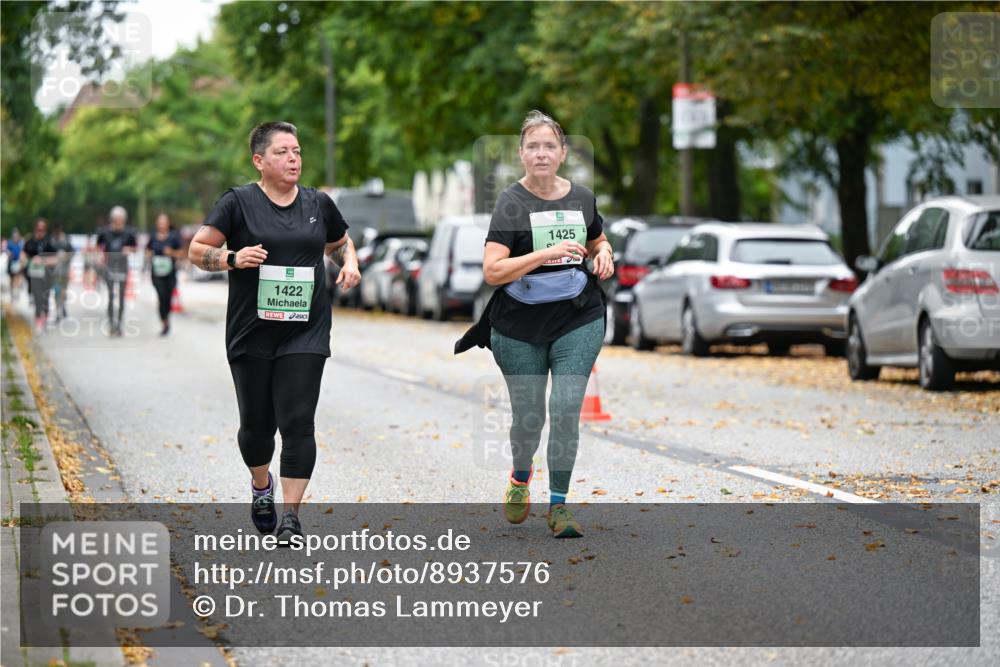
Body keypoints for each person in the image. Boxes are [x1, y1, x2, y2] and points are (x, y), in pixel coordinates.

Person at [188, 121, 360, 543]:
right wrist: (232, 257)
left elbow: (339, 243)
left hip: (306, 330)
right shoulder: (238, 203)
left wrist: (349, 264)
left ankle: (291, 518)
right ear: (259, 161)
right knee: (257, 426)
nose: (294, 159)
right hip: (253, 332)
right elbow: (196, 250)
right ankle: (260, 485)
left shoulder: (319, 203)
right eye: (283, 152)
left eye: (298, 151)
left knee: (299, 421)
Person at [456, 111, 614, 538]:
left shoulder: (581, 197)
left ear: (562, 153)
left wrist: (604, 254)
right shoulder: (512, 202)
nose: (541, 153)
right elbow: (493, 270)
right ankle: (520, 477)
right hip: (518, 326)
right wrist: (543, 255)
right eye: (533, 146)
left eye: (550, 146)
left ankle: (559, 506)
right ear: (521, 154)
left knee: (565, 408)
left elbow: (597, 238)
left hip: (577, 317)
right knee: (529, 419)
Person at [96, 206, 138, 336]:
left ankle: (119, 325)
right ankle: (111, 324)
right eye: (117, 220)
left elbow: (135, 248)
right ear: (112, 220)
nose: (119, 222)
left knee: (121, 297)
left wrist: (129, 250)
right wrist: (101, 256)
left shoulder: (129, 233)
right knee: (110, 296)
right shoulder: (105, 232)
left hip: (123, 267)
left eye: (121, 220)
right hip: (109, 267)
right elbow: (98, 246)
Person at [145, 212, 182, 336]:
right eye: (159, 222)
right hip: (157, 273)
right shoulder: (153, 236)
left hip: (170, 273)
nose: (162, 224)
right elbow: (147, 250)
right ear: (157, 224)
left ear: (168, 223)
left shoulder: (173, 237)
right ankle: (164, 322)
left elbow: (181, 254)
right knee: (161, 297)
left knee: (168, 298)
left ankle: (166, 317)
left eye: (164, 221)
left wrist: (171, 252)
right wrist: (149, 254)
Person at [23, 219, 58, 333]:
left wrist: (43, 260)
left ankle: (45, 318)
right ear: (35, 229)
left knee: (45, 297)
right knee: (37, 297)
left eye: (42, 229)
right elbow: (23, 255)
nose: (40, 232)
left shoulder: (49, 241)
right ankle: (38, 320)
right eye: (38, 229)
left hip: (47, 274)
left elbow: (56, 259)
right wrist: (28, 261)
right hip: (34, 275)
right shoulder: (30, 242)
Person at [49, 224, 74, 322]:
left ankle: (62, 306)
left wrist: (65, 257)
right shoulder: (51, 240)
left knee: (63, 290)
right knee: (56, 291)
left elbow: (72, 253)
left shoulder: (66, 240)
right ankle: (58, 310)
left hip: (64, 270)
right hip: (54, 271)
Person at [5, 228, 25, 300]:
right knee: (12, 278)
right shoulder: (10, 243)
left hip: (18, 262)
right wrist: (9, 253)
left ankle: (16, 292)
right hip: (11, 262)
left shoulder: (20, 243)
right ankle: (12, 291)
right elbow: (6, 250)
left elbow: (23, 251)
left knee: (17, 276)